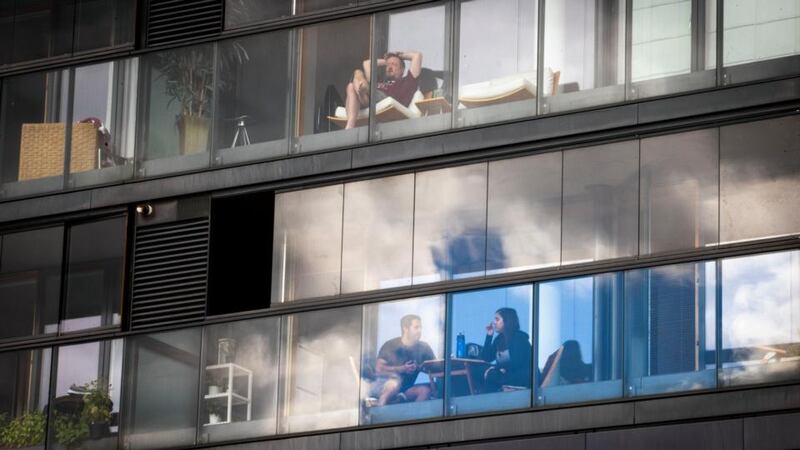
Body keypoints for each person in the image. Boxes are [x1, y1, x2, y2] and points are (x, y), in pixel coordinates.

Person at [369, 314, 436, 406]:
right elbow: (379, 369)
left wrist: (421, 367)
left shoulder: (424, 348)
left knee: (425, 390)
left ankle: (413, 416)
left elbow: (435, 367)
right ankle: (381, 409)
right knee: (394, 383)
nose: (420, 331)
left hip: (405, 390)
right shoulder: (391, 345)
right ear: (405, 328)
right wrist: (402, 369)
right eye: (416, 327)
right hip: (383, 387)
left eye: (421, 327)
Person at [345, 50, 423, 129]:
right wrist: (386, 61)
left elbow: (417, 56)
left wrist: (399, 56)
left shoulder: (407, 82)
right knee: (351, 86)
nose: (389, 67)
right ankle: (350, 126)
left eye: (394, 64)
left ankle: (364, 90)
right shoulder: (379, 81)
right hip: (369, 101)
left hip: (388, 101)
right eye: (388, 65)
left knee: (358, 77)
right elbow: (366, 63)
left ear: (402, 70)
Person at [481, 308, 535, 392]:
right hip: (508, 376)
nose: (494, 322)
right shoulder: (499, 339)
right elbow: (486, 357)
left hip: (523, 377)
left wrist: (496, 368)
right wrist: (489, 336)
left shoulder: (519, 338)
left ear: (507, 321)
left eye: (497, 319)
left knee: (491, 375)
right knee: (481, 372)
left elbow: (517, 362)